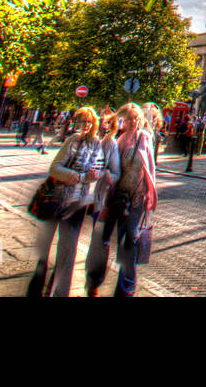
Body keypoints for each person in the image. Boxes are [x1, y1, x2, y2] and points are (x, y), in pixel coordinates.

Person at [27, 107, 106, 297]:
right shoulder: (72, 141)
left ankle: (59, 292)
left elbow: (98, 169)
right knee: (44, 250)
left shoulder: (97, 144)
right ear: (76, 123)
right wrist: (77, 176)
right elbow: (54, 168)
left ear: (94, 124)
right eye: (82, 122)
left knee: (68, 252)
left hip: (77, 203)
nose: (85, 126)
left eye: (89, 122)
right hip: (56, 199)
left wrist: (95, 175)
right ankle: (37, 289)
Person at [111, 103, 157, 296]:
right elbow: (113, 169)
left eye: (135, 119)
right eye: (128, 119)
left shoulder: (146, 137)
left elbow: (151, 167)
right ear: (122, 121)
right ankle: (121, 281)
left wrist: (151, 195)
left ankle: (128, 286)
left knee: (131, 240)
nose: (132, 122)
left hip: (138, 198)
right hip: (120, 197)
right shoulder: (119, 140)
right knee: (120, 240)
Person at [82, 109, 123, 296]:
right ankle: (93, 282)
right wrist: (105, 175)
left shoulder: (119, 142)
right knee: (101, 242)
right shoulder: (111, 143)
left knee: (102, 241)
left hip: (114, 200)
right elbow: (111, 173)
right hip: (106, 200)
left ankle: (94, 282)